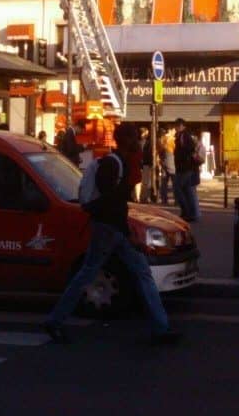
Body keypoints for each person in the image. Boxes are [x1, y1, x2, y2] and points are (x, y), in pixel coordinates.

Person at [42, 122, 181, 346]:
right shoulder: (114, 164)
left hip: (110, 229)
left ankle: (161, 326)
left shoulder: (118, 162)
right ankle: (160, 327)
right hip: (110, 229)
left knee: (117, 272)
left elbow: (113, 202)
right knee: (96, 274)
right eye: (134, 136)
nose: (138, 140)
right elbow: (112, 203)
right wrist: (129, 232)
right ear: (125, 139)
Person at [172, 118, 200, 222]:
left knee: (179, 190)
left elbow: (190, 149)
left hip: (185, 168)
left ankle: (187, 212)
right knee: (186, 191)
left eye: (178, 125)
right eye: (176, 125)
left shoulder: (184, 136)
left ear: (183, 126)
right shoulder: (181, 136)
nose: (176, 127)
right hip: (184, 168)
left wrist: (182, 157)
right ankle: (190, 213)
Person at [159, 127, 176, 204]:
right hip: (171, 161)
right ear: (171, 130)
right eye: (174, 130)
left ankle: (164, 199)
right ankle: (177, 199)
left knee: (164, 182)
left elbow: (160, 151)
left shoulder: (162, 139)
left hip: (164, 161)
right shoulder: (172, 139)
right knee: (175, 182)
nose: (175, 132)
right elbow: (175, 150)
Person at [138, 127, 153, 203]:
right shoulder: (142, 142)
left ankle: (144, 197)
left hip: (145, 163)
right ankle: (143, 197)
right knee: (145, 182)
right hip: (144, 164)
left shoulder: (147, 142)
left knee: (145, 182)